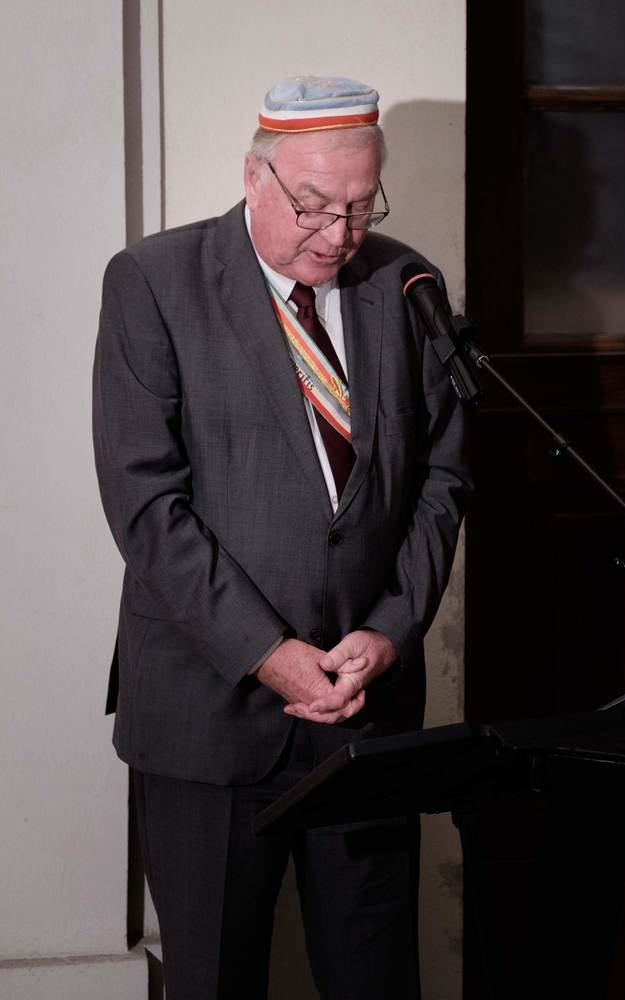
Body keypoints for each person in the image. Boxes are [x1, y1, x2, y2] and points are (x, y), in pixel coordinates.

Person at [93, 75, 470, 1000]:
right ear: (254, 178)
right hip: (208, 715)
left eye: (360, 206)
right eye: (313, 206)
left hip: (364, 711)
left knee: (376, 980)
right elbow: (146, 507)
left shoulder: (406, 282)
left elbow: (441, 480)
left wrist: (391, 632)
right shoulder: (154, 281)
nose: (338, 234)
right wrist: (269, 655)